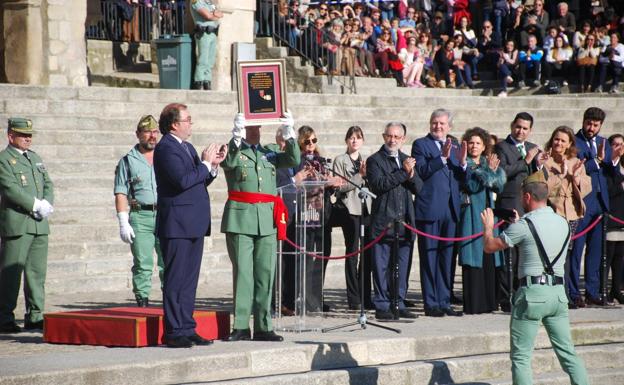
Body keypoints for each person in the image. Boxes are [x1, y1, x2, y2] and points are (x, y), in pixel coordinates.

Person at [481, 171, 589, 385]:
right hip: (558, 294)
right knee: (568, 354)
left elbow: (489, 247)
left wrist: (488, 227)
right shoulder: (563, 223)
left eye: (523, 196)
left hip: (532, 294)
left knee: (521, 357)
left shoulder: (523, 226)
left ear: (528, 197)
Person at [221, 112, 299, 342]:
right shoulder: (234, 150)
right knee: (244, 273)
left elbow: (293, 159)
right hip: (241, 219)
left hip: (266, 219)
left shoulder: (269, 152)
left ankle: (264, 325)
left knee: (266, 273)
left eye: (257, 127)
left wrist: (289, 132)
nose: (255, 131)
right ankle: (242, 325)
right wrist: (235, 136)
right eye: (250, 128)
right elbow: (229, 162)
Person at [154, 103, 226, 348]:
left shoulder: (186, 147)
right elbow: (183, 180)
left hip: (193, 223)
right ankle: (174, 331)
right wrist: (204, 165)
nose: (190, 124)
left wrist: (213, 166)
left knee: (189, 280)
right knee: (175, 279)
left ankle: (187, 326)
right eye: (188, 119)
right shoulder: (166, 148)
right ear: (175, 124)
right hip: (176, 224)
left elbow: (198, 181)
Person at [412, 109, 468, 317]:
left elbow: (463, 180)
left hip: (451, 210)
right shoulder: (421, 144)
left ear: (449, 127)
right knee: (430, 257)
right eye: (434, 123)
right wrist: (442, 158)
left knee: (447, 258)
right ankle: (431, 302)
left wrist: (462, 163)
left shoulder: (454, 146)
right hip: (429, 209)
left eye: (442, 124)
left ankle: (444, 300)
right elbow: (422, 172)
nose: (438, 127)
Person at [0, 118, 54, 333]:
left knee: (36, 273)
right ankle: (4, 317)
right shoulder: (4, 160)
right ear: (10, 136)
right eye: (23, 135)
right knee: (11, 273)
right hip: (18, 223)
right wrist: (34, 204)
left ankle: (35, 314)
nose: (28, 138)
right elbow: (10, 189)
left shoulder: (35, 158)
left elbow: (48, 182)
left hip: (39, 224)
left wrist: (47, 202)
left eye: (30, 135)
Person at [570, 107, 624, 307]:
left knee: (596, 252)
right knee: (577, 250)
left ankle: (592, 292)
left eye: (595, 125)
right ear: (583, 121)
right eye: (588, 123)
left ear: (601, 125)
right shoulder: (574, 142)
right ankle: (574, 293)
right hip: (582, 204)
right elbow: (578, 168)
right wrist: (598, 160)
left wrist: (614, 161)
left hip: (601, 205)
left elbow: (612, 174)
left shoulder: (604, 143)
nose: (591, 127)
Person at [366, 122, 420, 320]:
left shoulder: (408, 160)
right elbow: (379, 185)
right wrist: (403, 173)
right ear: (383, 136)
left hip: (405, 221)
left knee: (402, 264)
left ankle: (399, 300)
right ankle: (382, 303)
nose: (393, 140)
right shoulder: (375, 160)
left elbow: (419, 189)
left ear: (403, 139)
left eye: (397, 137)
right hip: (383, 222)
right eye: (389, 136)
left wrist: (411, 175)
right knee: (381, 265)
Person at [495, 112, 546, 311]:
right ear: (512, 125)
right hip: (509, 205)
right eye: (518, 127)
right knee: (509, 254)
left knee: (525, 253)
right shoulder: (502, 147)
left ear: (530, 130)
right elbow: (503, 173)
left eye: (525, 128)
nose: (521, 131)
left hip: (529, 206)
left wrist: (539, 163)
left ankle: (521, 293)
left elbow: (540, 178)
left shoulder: (531, 148)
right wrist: (526, 160)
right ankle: (505, 296)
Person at [114, 115, 164, 307]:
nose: (152, 136)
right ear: (138, 134)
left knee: (168, 261)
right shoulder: (128, 161)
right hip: (141, 216)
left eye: (155, 132)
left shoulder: (165, 155)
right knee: (143, 263)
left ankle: (170, 301)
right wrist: (123, 221)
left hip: (165, 215)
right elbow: (120, 192)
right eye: (147, 132)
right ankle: (142, 300)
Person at [458, 127, 506, 315]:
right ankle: (474, 303)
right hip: (472, 214)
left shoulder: (487, 163)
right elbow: (472, 185)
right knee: (474, 255)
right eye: (471, 143)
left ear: (484, 145)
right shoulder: (465, 163)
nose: (474, 146)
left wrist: (493, 172)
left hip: (489, 214)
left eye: (478, 143)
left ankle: (490, 302)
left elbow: (499, 186)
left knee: (490, 255)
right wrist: (488, 173)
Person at [543, 126, 592, 307]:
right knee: (555, 255)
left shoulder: (574, 161)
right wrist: (561, 176)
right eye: (556, 139)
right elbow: (544, 189)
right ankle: (558, 295)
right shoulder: (546, 161)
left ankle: (566, 293)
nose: (559, 143)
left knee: (568, 255)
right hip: (553, 213)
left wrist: (575, 177)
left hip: (571, 213)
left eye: (563, 140)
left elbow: (587, 186)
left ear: (570, 143)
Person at [333, 126, 373, 310]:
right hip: (350, 210)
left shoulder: (368, 160)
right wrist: (359, 176)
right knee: (352, 254)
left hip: (367, 210)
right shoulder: (340, 160)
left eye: (358, 137)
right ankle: (354, 298)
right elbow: (339, 187)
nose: (354, 141)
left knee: (367, 255)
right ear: (346, 140)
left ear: (362, 140)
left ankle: (366, 296)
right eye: (351, 138)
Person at [606, 134, 624, 304]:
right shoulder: (609, 167)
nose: (618, 148)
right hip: (611, 216)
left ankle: (616, 289)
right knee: (609, 255)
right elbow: (610, 189)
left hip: (622, 219)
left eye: (621, 144)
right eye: (615, 144)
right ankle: (603, 289)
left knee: (620, 257)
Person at [190, 0, 223, 90]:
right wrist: (214, 15)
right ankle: (198, 81)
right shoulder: (196, 2)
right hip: (203, 33)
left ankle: (207, 81)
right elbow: (207, 16)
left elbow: (221, 14)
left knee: (210, 60)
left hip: (213, 33)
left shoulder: (209, 2)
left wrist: (214, 15)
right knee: (203, 59)